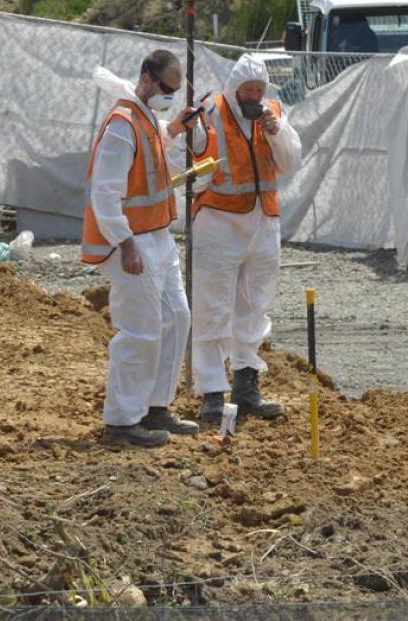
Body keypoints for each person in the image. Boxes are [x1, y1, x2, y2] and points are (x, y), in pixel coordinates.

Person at [81, 50, 203, 447]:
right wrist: (125, 243)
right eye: (166, 88)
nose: (169, 95)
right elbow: (105, 193)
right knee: (141, 330)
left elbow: (150, 159)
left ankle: (155, 407)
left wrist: (173, 131)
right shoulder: (121, 124)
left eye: (175, 89)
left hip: (156, 236)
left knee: (176, 318)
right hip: (130, 242)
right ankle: (121, 422)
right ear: (147, 79)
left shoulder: (146, 117)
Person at [189, 54, 302, 422]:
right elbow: (190, 161)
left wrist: (277, 130)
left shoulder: (272, 111)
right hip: (219, 223)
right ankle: (211, 391)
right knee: (212, 307)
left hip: (262, 221)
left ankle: (246, 383)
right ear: (234, 89)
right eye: (248, 90)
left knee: (254, 306)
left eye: (259, 89)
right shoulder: (210, 112)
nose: (254, 96)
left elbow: (290, 162)